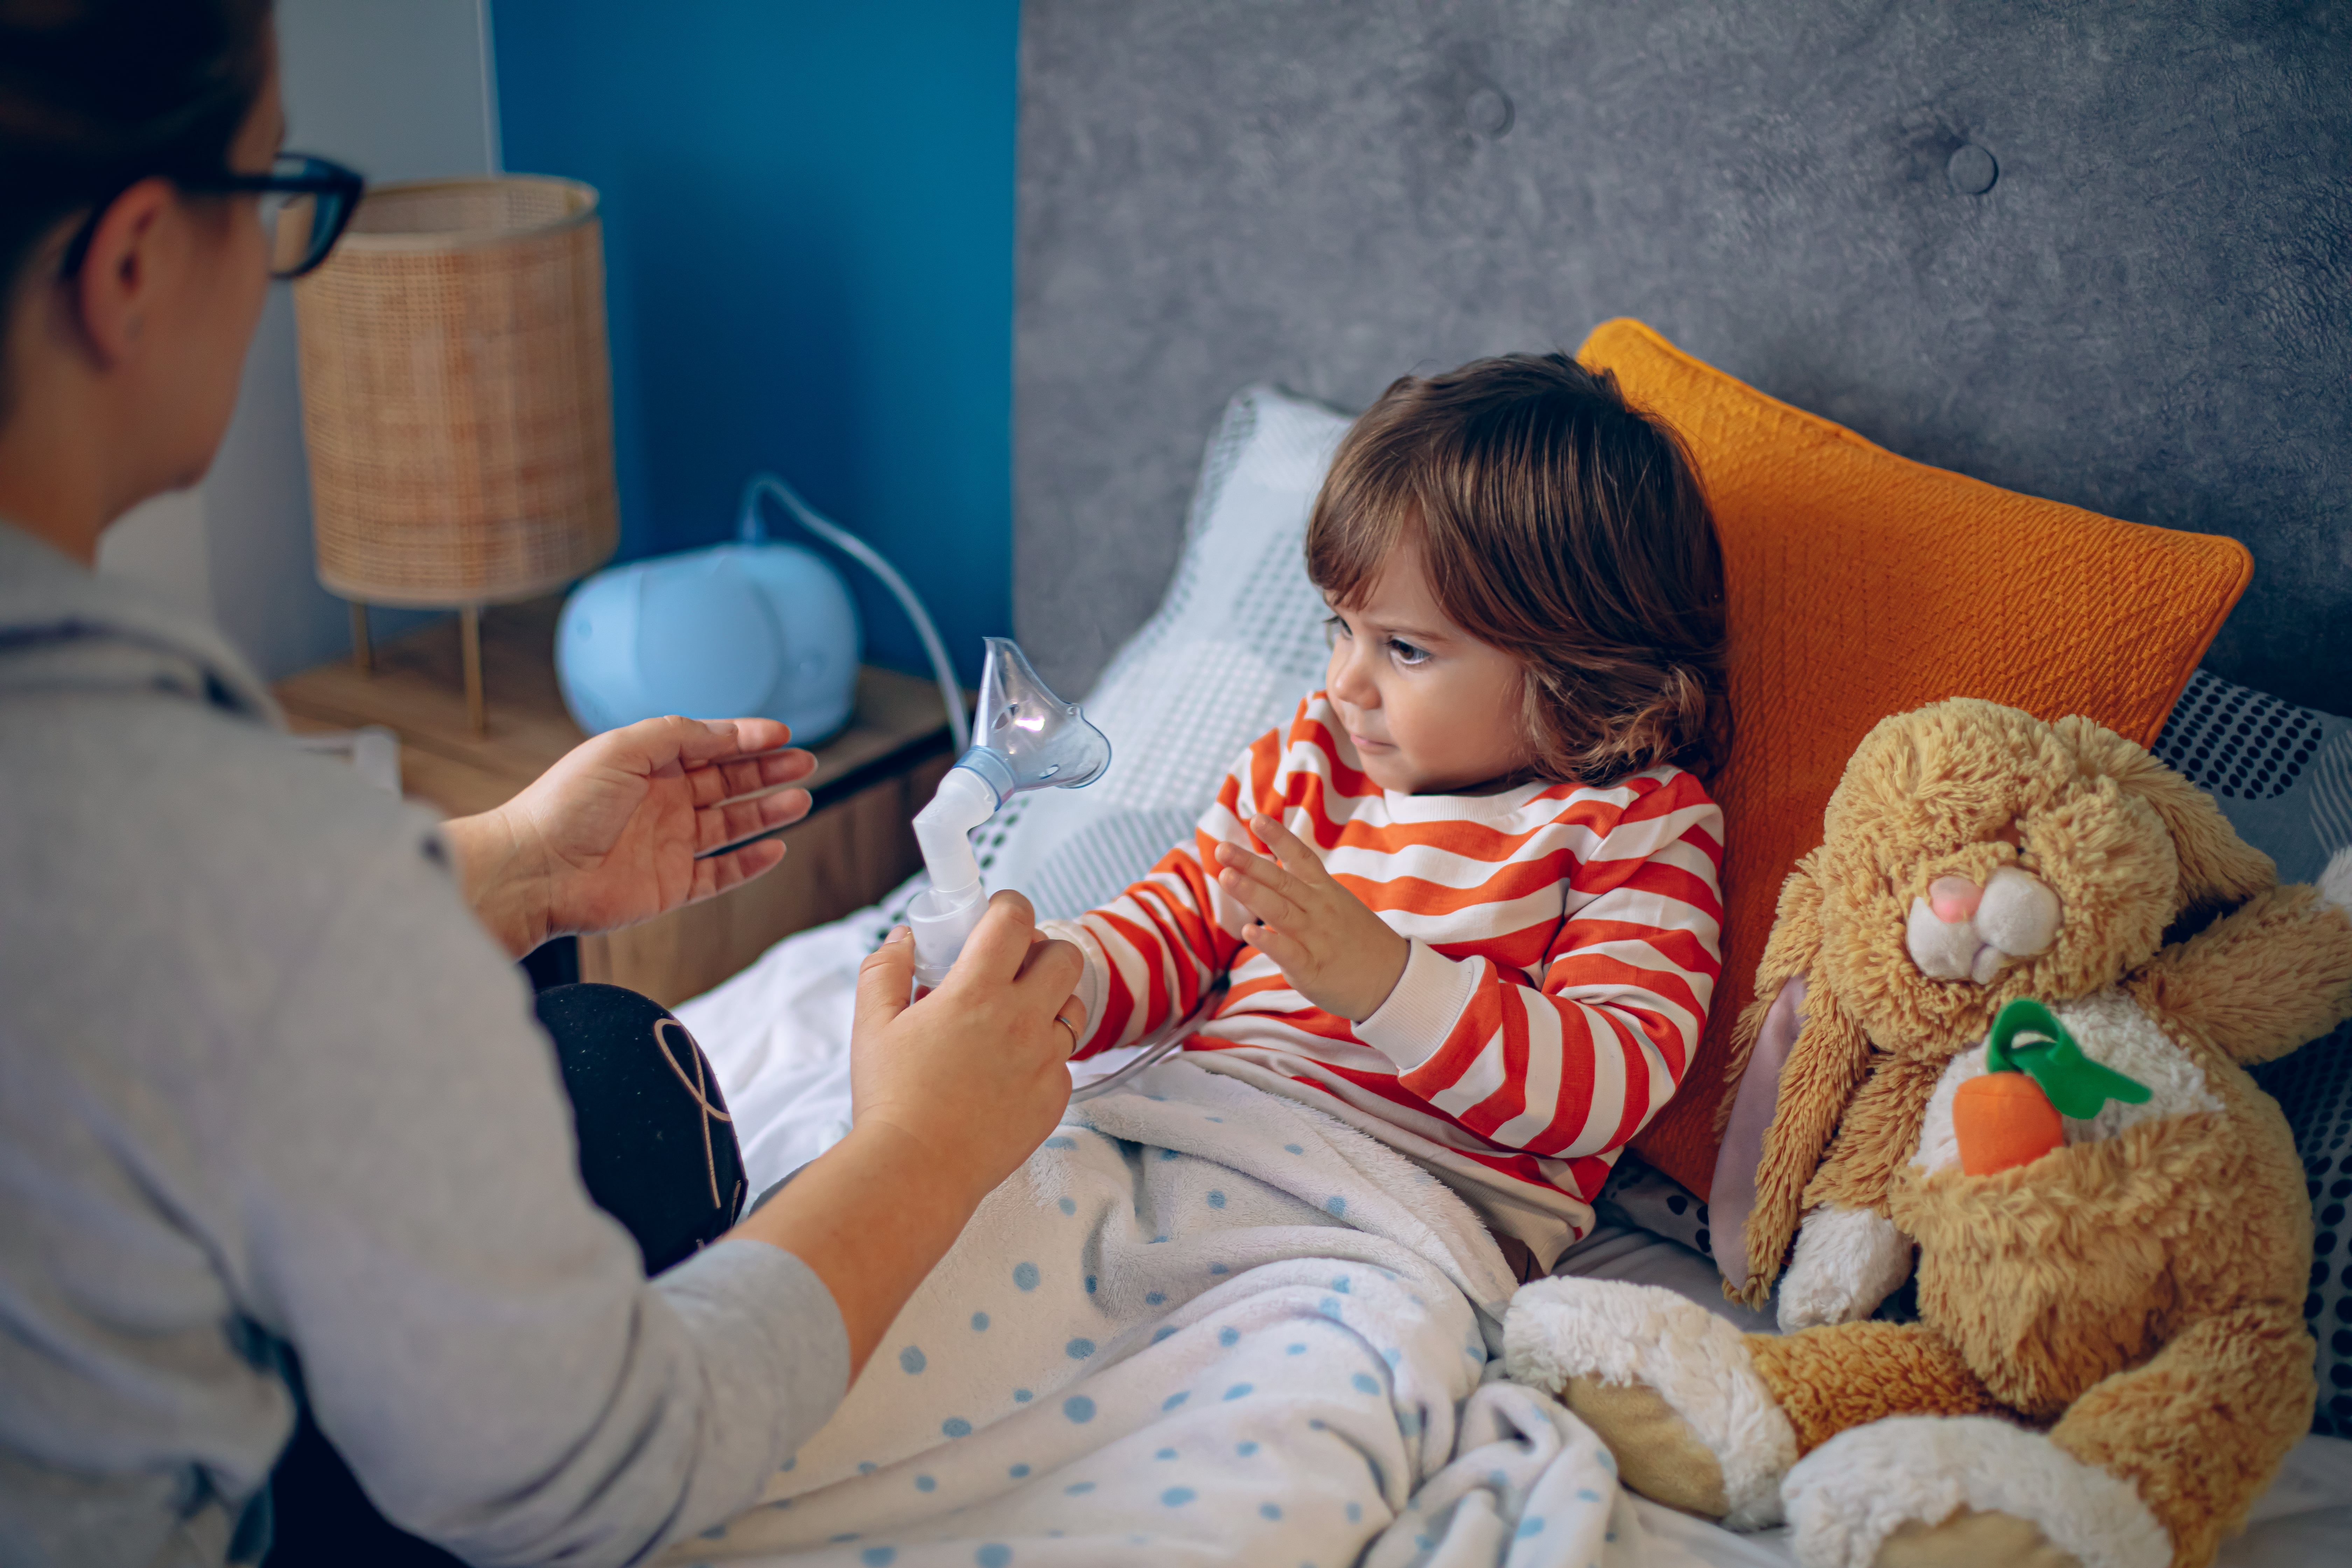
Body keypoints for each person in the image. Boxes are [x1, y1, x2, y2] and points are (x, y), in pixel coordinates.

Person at [0, 3, 1086, 1566]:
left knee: (598, 1065)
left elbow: (133, 967)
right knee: (623, 1107)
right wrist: (924, 1144)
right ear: (132, 265)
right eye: (279, 196)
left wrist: (506, 866)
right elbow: (599, 1467)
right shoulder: (196, 822)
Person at [1046, 354, 1729, 1278]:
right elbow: (1179, 923)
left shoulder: (1634, 825)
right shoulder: (1312, 757)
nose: (1345, 682)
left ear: (1577, 668)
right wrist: (1066, 981)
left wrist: (1383, 982)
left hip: (1403, 1218)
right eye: (1341, 627)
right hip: (1195, 1134)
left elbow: (1610, 1083)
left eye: (1404, 648)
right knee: (976, 1215)